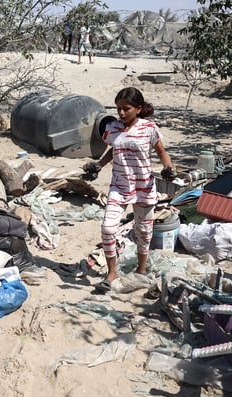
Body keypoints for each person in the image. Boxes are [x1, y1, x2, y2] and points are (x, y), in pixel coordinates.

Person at [83, 87, 175, 294]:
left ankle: (141, 269)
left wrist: (169, 169)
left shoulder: (149, 128)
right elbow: (113, 149)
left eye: (126, 109)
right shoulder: (113, 128)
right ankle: (112, 272)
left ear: (138, 108)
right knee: (108, 229)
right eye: (118, 109)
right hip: (119, 186)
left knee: (143, 231)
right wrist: (98, 166)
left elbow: (162, 152)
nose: (122, 113)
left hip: (144, 187)